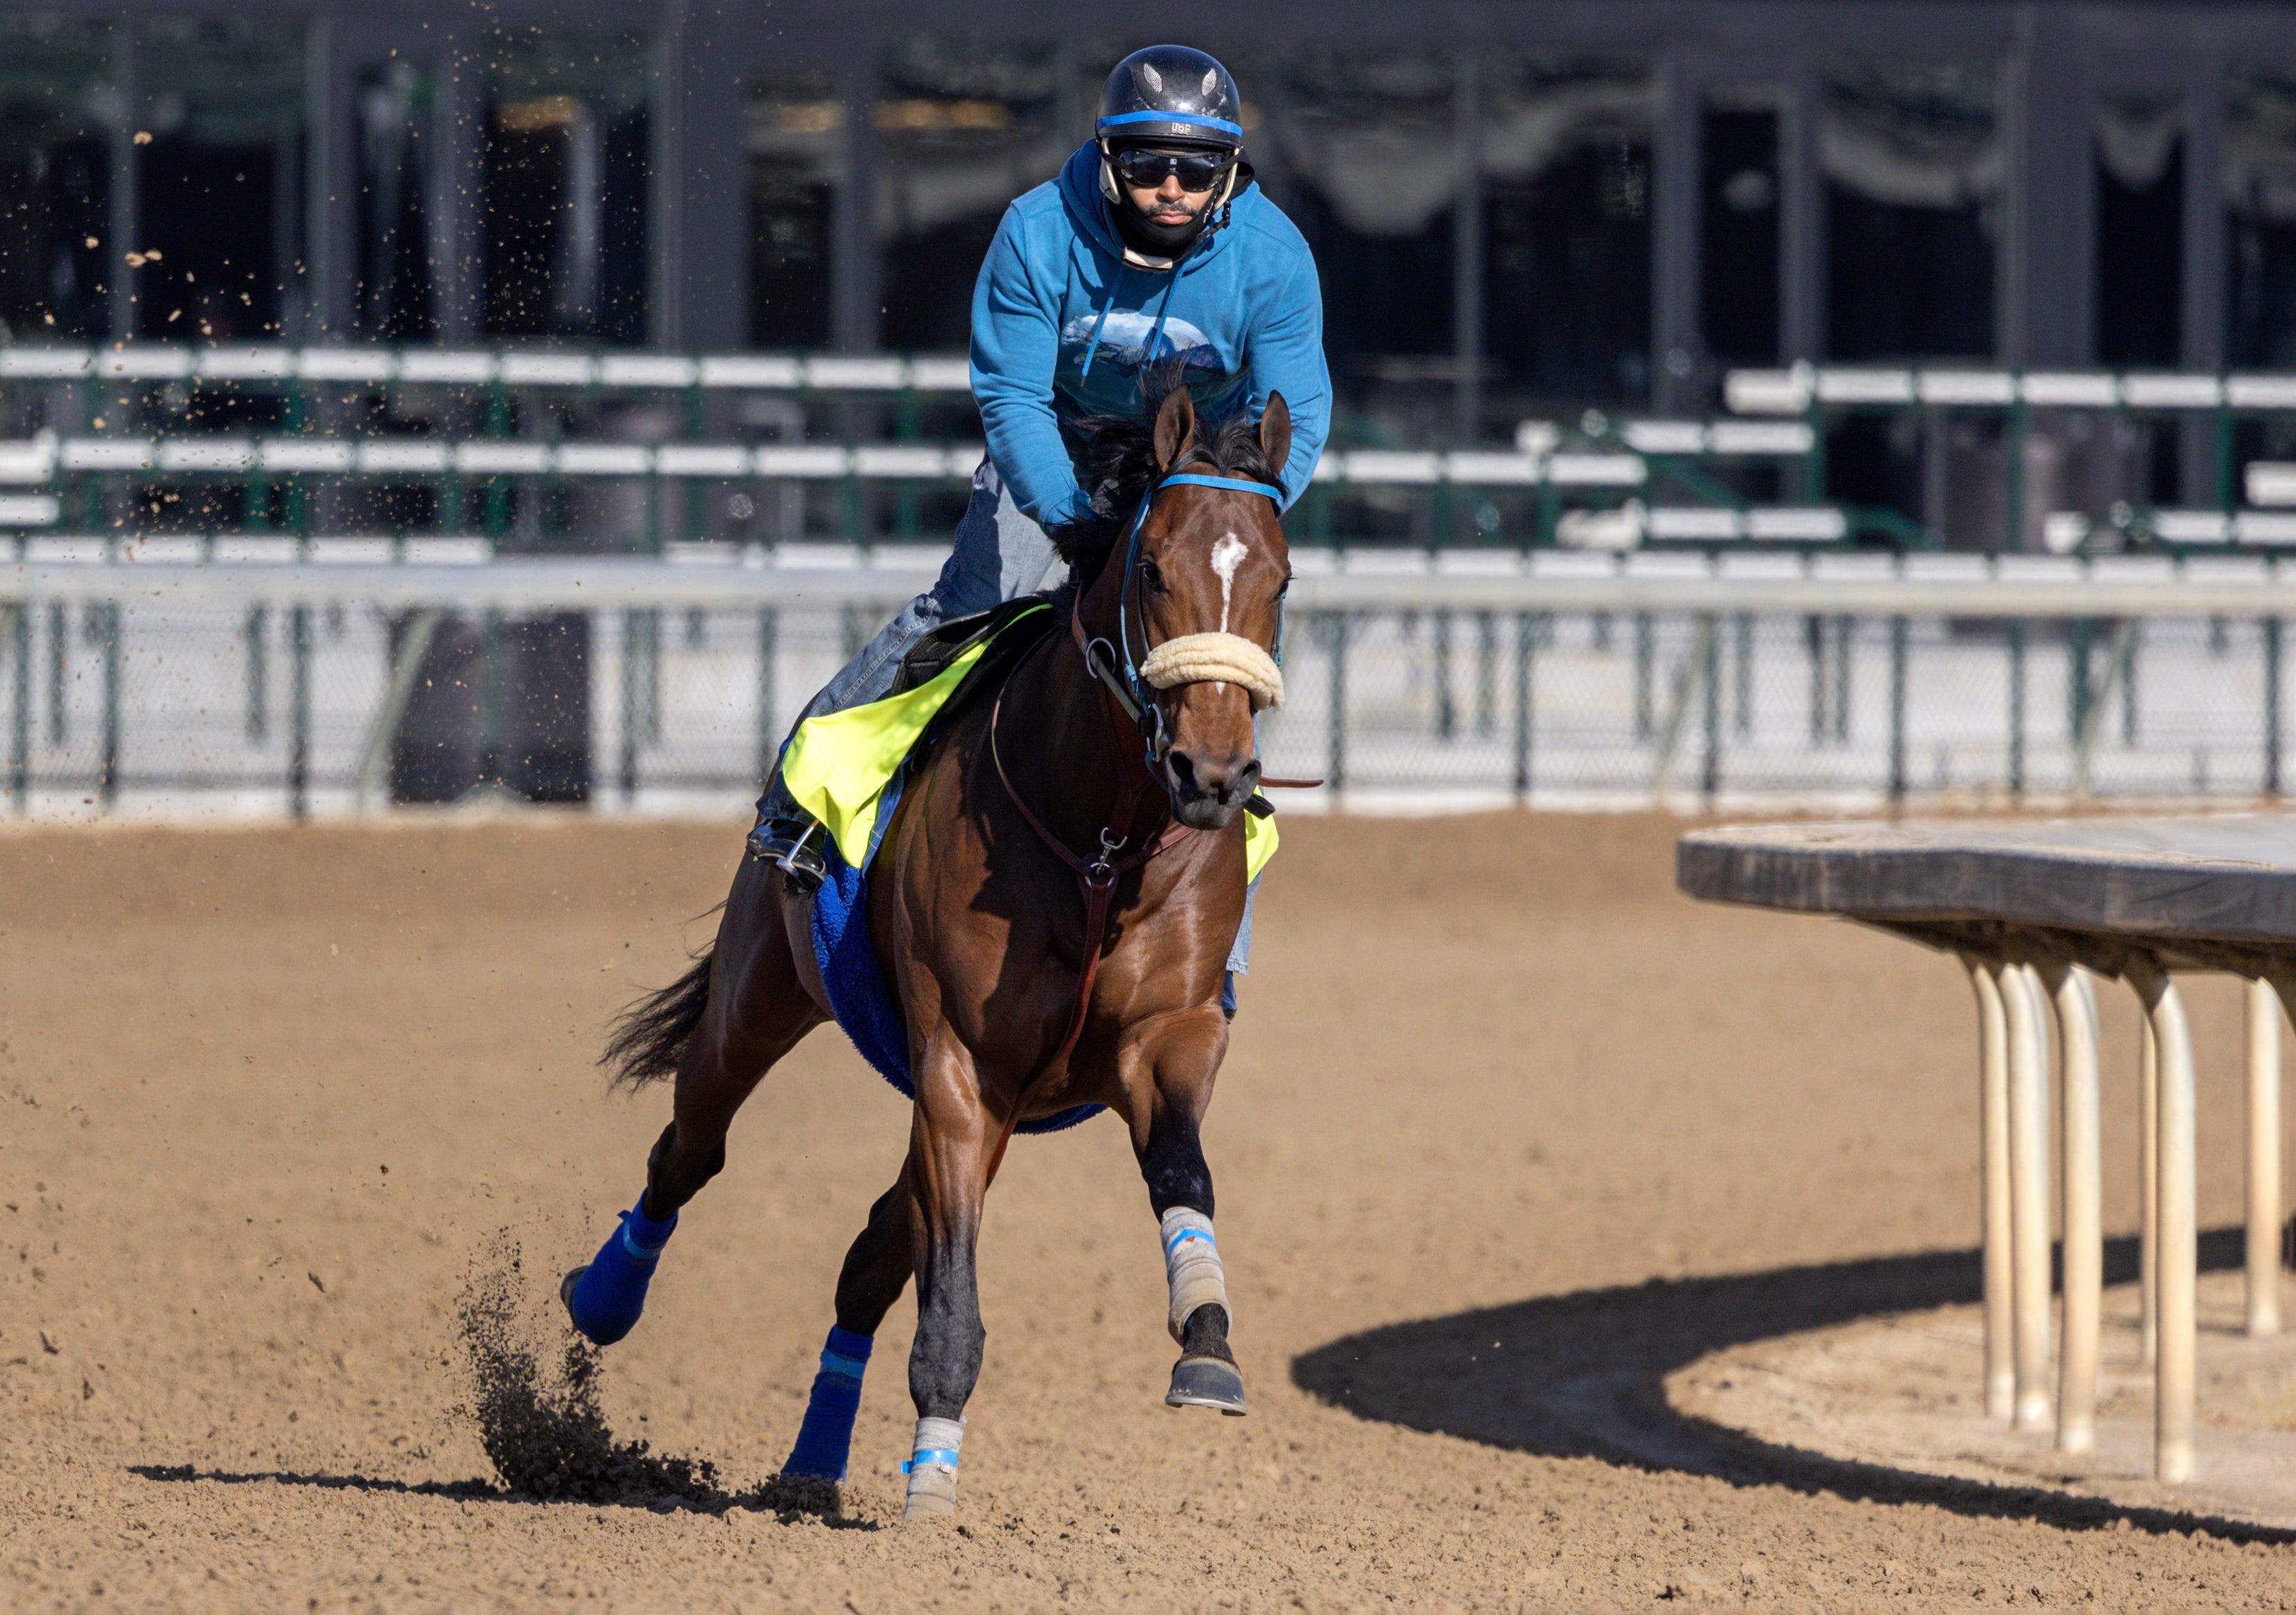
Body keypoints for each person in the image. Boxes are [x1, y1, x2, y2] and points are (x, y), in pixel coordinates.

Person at [749, 43, 1328, 984]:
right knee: (975, 600)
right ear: (1109, 157)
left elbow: (1296, 413)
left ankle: (1220, 950)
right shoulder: (1036, 230)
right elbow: (1014, 398)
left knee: (1229, 648)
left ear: (1230, 171)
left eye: (1195, 167)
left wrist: (1236, 511)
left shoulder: (1277, 258)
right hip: (1060, 453)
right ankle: (798, 804)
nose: (1170, 187)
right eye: (1147, 164)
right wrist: (1071, 517)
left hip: (1201, 470)